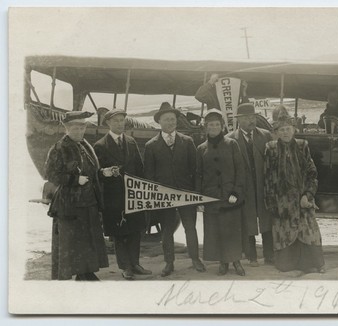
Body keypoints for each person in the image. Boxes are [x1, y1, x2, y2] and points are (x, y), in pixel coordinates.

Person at [45, 111, 109, 280]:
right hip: (70, 203)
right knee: (74, 239)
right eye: (75, 128)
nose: (79, 131)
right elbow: (51, 174)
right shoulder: (59, 147)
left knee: (89, 237)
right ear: (66, 128)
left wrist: (103, 173)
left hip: (89, 200)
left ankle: (87, 271)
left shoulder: (84, 144)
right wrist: (74, 179)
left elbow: (92, 170)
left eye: (82, 127)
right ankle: (80, 273)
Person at [144, 102, 206, 277]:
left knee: (190, 227)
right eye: (166, 120)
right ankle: (169, 263)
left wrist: (196, 194)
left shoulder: (187, 142)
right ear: (159, 122)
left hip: (186, 194)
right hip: (164, 196)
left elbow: (195, 170)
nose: (170, 123)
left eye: (173, 119)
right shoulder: (151, 145)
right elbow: (149, 175)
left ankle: (195, 259)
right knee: (167, 230)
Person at [264, 105, 325, 273]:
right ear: (276, 132)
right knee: (285, 232)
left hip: (302, 199)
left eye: (288, 129)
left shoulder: (302, 145)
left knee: (308, 231)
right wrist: (271, 202)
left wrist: (308, 195)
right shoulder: (271, 148)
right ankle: (288, 263)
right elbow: (268, 177)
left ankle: (313, 264)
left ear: (293, 130)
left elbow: (312, 173)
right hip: (282, 200)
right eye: (282, 129)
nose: (285, 133)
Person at [93, 108, 152, 280]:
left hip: (133, 194)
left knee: (135, 230)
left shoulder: (131, 142)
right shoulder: (100, 146)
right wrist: (105, 173)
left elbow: (139, 169)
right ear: (108, 124)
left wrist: (143, 191)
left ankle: (135, 264)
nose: (120, 124)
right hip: (114, 197)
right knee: (119, 233)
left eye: (122, 120)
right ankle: (125, 266)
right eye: (116, 121)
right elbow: (97, 174)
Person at [196, 109, 246, 276]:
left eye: (217, 124)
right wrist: (200, 199)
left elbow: (240, 170)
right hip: (211, 198)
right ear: (206, 127)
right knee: (216, 230)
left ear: (222, 126)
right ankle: (223, 263)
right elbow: (198, 175)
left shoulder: (232, 144)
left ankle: (237, 262)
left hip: (230, 197)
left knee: (232, 230)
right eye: (211, 125)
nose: (214, 127)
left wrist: (236, 192)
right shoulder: (201, 148)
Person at [227, 103, 274, 267]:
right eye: (246, 117)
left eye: (253, 117)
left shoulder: (266, 135)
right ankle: (251, 256)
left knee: (267, 219)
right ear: (239, 120)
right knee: (247, 221)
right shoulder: (230, 139)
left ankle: (270, 256)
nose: (251, 120)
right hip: (244, 187)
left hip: (263, 186)